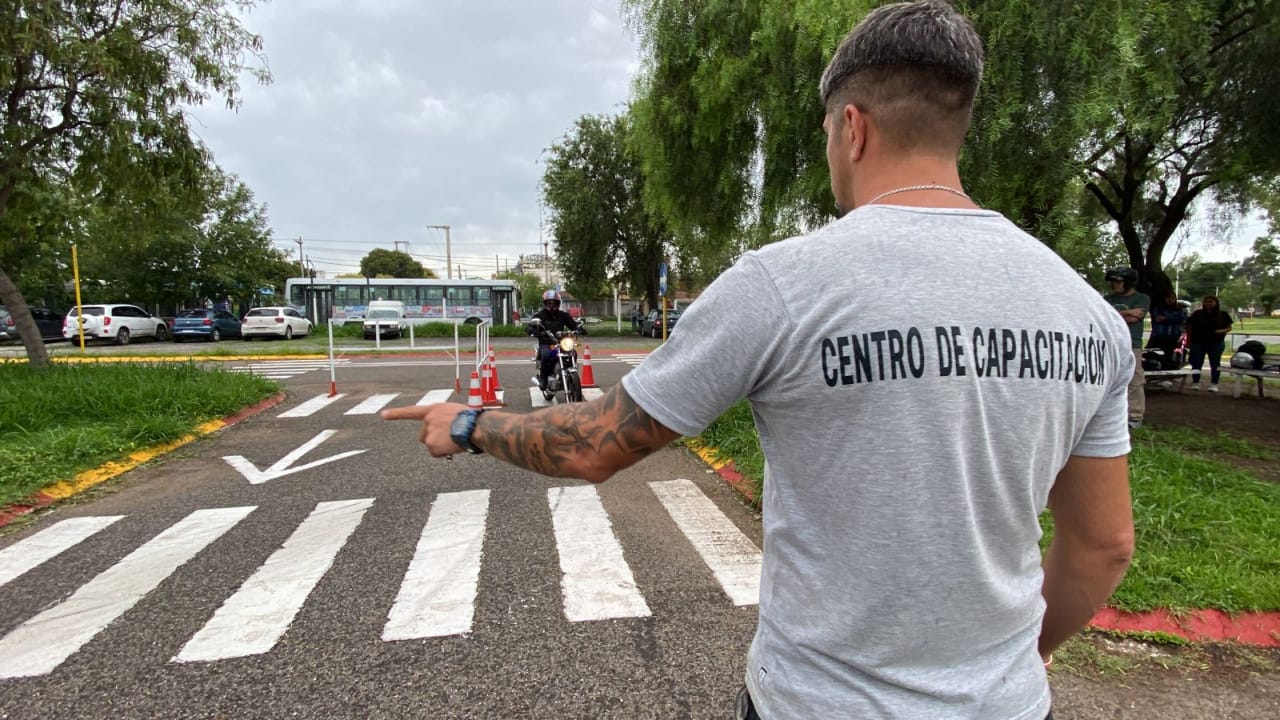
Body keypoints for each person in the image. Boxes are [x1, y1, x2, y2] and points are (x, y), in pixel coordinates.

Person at [384, 3, 1135, 718]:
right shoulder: (1089, 317)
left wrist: (470, 422)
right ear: (958, 121)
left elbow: (591, 447)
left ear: (852, 128)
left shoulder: (782, 287)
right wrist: (1009, 668)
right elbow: (1104, 546)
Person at [1102, 267, 1150, 428]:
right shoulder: (1107, 298)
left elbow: (1136, 318)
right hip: (1109, 344)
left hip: (1131, 344)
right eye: (1113, 282)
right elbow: (1103, 317)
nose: (1114, 285)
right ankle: (1107, 413)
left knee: (1135, 379)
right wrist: (1126, 313)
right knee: (1107, 377)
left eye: (1118, 282)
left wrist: (1115, 314)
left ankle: (1135, 415)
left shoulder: (1142, 298)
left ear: (1128, 283)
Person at [527, 289, 584, 397]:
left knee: (573, 353)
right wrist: (534, 330)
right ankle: (543, 379)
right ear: (545, 303)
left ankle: (569, 374)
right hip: (547, 344)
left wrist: (578, 328)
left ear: (558, 304)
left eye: (554, 303)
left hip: (561, 343)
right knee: (547, 355)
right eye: (549, 303)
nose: (552, 305)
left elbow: (572, 324)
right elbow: (530, 327)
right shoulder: (539, 315)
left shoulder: (563, 315)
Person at [1185, 294, 1233, 392]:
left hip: (1216, 342)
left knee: (1215, 363)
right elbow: (1189, 326)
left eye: (1210, 302)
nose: (1208, 304)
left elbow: (1229, 327)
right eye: (1206, 302)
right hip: (1198, 342)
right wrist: (1188, 340)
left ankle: (1214, 383)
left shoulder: (1223, 314)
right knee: (1196, 362)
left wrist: (1220, 331)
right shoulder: (1197, 314)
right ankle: (1195, 382)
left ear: (1216, 303)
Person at [1146, 290, 1187, 369]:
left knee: (1169, 356)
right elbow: (1158, 319)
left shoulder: (1179, 309)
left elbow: (1182, 318)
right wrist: (1173, 318)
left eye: (1173, 297)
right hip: (1159, 336)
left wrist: (1166, 318)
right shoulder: (1158, 308)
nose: (1170, 299)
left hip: (1173, 337)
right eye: (1168, 297)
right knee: (1155, 354)